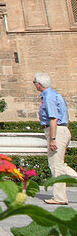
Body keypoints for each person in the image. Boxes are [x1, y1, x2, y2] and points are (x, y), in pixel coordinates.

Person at [33, 72, 77, 205]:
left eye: (34, 82)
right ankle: (59, 197)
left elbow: (53, 118)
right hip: (61, 130)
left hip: (56, 131)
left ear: (39, 84)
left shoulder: (49, 97)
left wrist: (53, 138)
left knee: (56, 166)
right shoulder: (55, 95)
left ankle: (60, 198)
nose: (34, 85)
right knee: (61, 165)